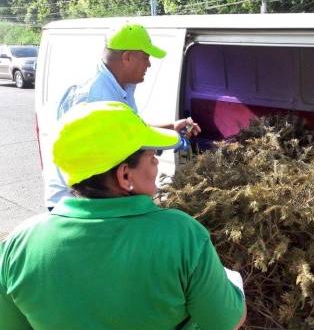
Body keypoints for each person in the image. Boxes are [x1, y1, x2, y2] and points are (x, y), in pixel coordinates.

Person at [0, 101, 246, 330]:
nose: (156, 164)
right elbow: (224, 325)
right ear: (125, 176)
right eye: (152, 156)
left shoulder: (18, 245)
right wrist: (233, 283)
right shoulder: (182, 236)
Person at [42, 22, 201, 210]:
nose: (149, 64)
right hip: (79, 202)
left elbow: (127, 129)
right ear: (127, 57)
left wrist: (171, 127)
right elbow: (97, 172)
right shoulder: (94, 99)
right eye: (146, 57)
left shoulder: (122, 87)